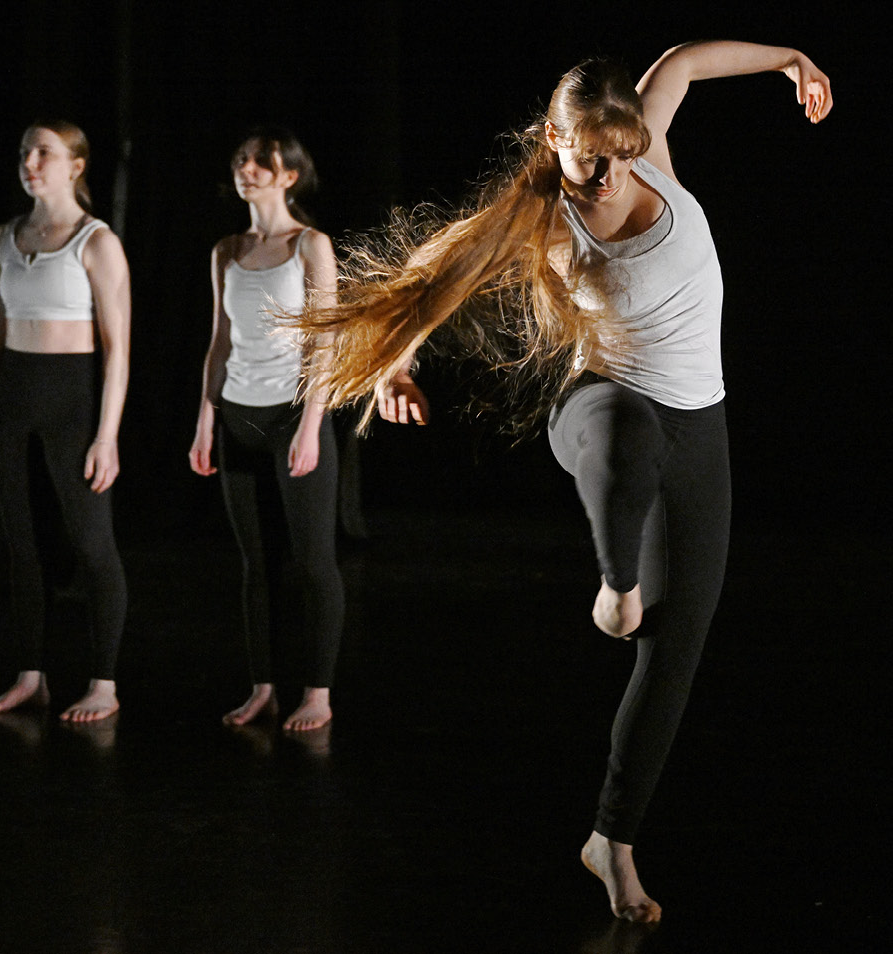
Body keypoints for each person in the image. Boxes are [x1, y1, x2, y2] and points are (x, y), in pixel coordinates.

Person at [299, 43, 831, 920]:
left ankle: (610, 842)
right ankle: (614, 584)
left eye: (624, 156)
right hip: (601, 407)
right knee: (625, 438)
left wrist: (789, 59)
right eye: (592, 159)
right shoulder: (541, 217)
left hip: (703, 430)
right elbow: (435, 285)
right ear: (554, 139)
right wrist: (393, 367)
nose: (612, 175)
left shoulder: (644, 145)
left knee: (675, 655)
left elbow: (683, 63)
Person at [0, 121, 131, 723]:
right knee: (20, 545)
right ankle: (30, 675)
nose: (30, 162)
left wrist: (108, 434)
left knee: (92, 544)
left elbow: (118, 347)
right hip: (12, 395)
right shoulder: (2, 240)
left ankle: (104, 682)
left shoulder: (96, 241)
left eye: (44, 152)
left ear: (77, 164)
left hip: (72, 401)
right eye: (24, 152)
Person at [189, 128, 344, 732]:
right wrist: (206, 421)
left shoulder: (311, 244)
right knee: (256, 564)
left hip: (290, 417)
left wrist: (311, 424)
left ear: (288, 176)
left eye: (261, 162)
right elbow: (218, 342)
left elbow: (325, 340)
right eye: (241, 161)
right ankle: (263, 688)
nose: (247, 169)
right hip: (237, 416)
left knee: (311, 562)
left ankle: (318, 693)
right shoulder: (227, 249)